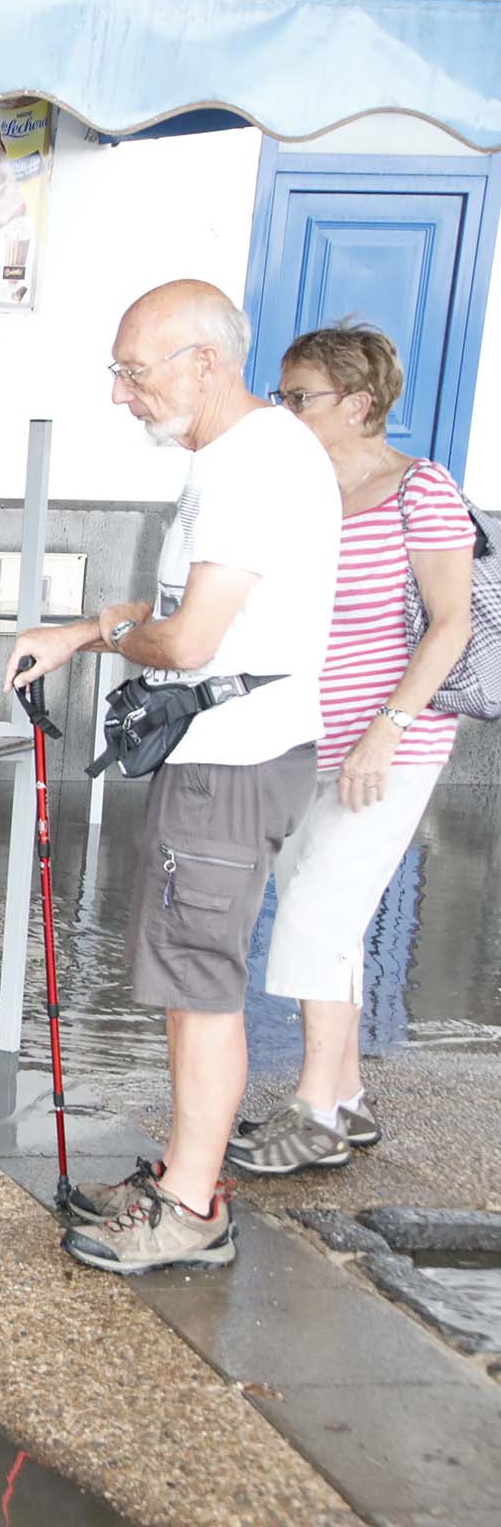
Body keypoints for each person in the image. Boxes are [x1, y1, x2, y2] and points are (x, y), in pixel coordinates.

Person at [6, 279, 337, 1275]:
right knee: (193, 983)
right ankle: (182, 1175)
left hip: (232, 762)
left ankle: (191, 1205)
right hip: (234, 755)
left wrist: (96, 635)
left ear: (204, 362)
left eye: (134, 371)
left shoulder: (250, 467)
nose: (121, 393)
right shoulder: (255, 457)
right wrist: (89, 628)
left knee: (201, 987)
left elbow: (190, 639)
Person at [224, 325, 477, 1176]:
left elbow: (452, 624)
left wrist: (388, 729)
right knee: (323, 912)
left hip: (393, 741)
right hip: (306, 735)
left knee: (312, 917)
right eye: (282, 393)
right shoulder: (305, 491)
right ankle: (351, 1096)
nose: (283, 409)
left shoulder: (421, 491)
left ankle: (316, 1113)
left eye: (301, 397)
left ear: (360, 405)